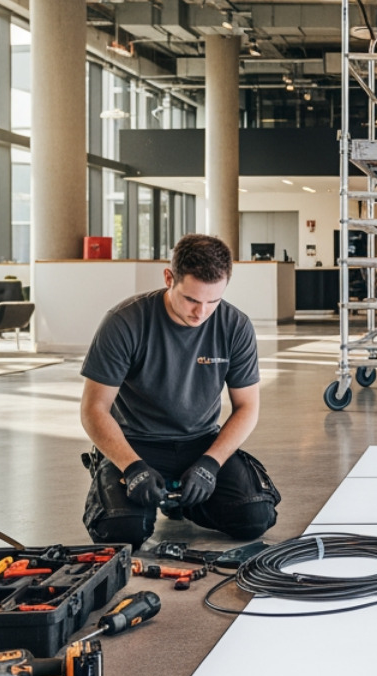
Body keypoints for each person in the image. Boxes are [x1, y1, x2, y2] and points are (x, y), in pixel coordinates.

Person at [80, 234, 280, 546]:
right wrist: (131, 467)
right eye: (191, 300)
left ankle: (186, 502)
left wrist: (210, 464)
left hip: (200, 443)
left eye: (212, 301)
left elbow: (247, 407)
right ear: (169, 278)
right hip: (136, 443)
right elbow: (94, 409)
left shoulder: (235, 325)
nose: (201, 313)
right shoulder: (124, 322)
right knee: (121, 531)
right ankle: (118, 478)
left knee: (254, 517)